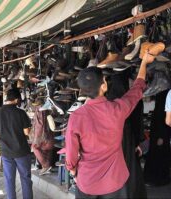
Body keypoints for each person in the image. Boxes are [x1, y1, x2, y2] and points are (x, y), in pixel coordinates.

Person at [65, 52, 154, 198]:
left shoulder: (76, 117)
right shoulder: (117, 109)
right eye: (105, 80)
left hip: (87, 181)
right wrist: (144, 63)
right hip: (115, 182)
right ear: (104, 86)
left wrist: (73, 170)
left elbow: (71, 152)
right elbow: (137, 89)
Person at [0, 89, 33, 199]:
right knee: (25, 179)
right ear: (16, 100)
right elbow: (26, 132)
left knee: (9, 179)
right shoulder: (21, 113)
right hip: (21, 151)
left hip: (6, 152)